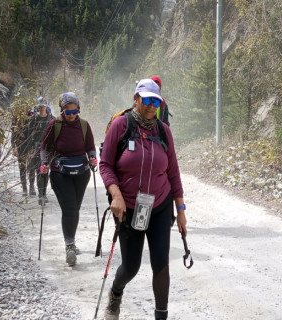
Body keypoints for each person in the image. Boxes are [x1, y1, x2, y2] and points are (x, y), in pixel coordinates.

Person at [99, 78, 187, 320]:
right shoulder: (121, 125)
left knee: (161, 264)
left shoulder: (163, 131)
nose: (151, 106)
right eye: (146, 100)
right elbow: (105, 165)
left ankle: (161, 316)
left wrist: (180, 210)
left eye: (156, 101)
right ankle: (116, 293)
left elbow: (173, 173)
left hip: (159, 206)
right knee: (131, 267)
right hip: (128, 208)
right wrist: (115, 195)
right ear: (135, 99)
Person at [39, 92, 97, 266]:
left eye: (74, 112)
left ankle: (71, 240)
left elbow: (90, 147)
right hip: (59, 172)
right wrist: (44, 163)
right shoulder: (54, 125)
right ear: (62, 110)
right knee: (70, 207)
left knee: (75, 208)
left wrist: (93, 158)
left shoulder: (84, 125)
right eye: (67, 112)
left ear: (78, 109)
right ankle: (69, 245)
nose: (71, 115)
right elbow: (44, 147)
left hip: (82, 172)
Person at [27, 97, 54, 205]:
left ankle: (44, 193)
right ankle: (41, 195)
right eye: (40, 106)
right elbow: (28, 136)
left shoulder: (52, 119)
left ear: (46, 106)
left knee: (46, 172)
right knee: (39, 171)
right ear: (37, 107)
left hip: (48, 149)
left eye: (43, 106)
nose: (42, 108)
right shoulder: (33, 120)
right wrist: (29, 151)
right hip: (36, 148)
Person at [11, 105, 33, 196]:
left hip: (30, 144)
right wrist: (14, 148)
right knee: (22, 167)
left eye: (24, 108)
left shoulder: (31, 118)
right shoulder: (15, 120)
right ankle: (24, 188)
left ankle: (32, 187)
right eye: (21, 108)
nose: (23, 110)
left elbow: (33, 134)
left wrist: (32, 149)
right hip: (20, 145)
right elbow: (13, 135)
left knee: (31, 166)